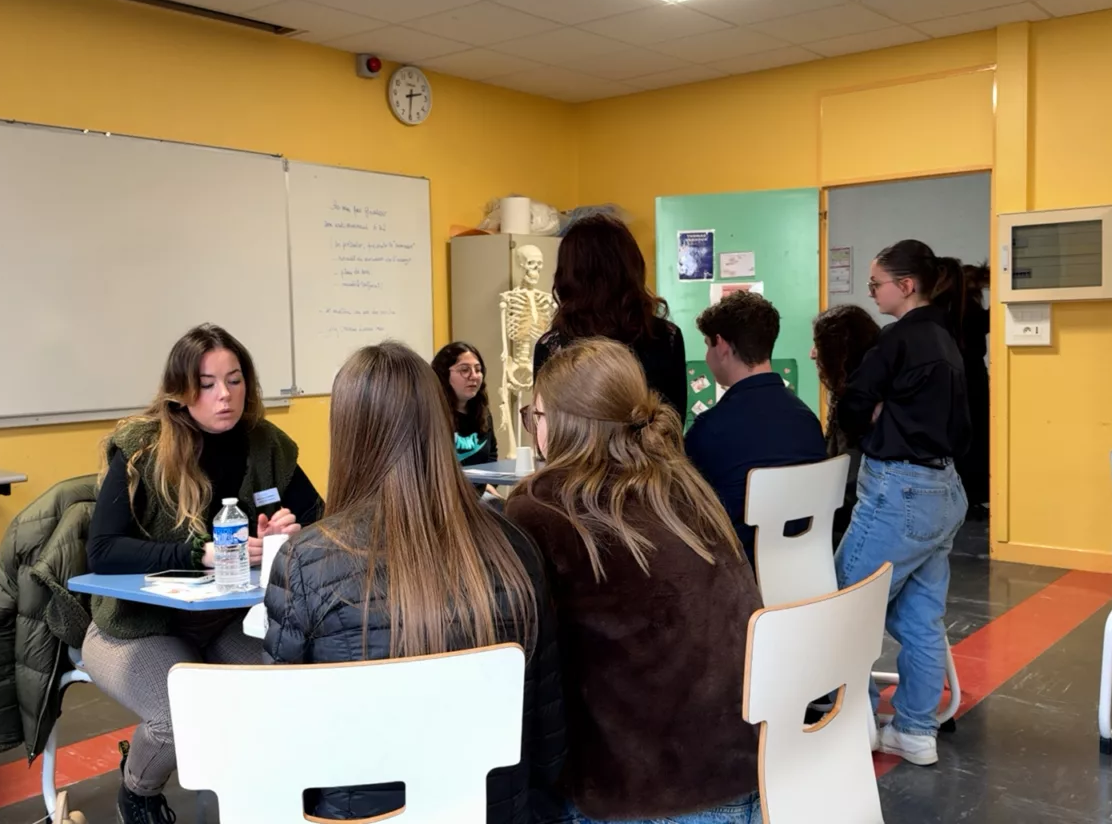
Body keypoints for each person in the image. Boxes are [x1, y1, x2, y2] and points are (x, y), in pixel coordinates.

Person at [265, 342, 564, 824]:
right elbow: (548, 735)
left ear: (345, 434)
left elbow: (283, 741)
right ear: (439, 421)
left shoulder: (306, 561)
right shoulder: (516, 545)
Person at [506, 338, 763, 824]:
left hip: (639, 795)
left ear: (561, 424)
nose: (532, 429)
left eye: (534, 416)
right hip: (743, 774)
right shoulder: (684, 486)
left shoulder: (542, 507)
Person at [82, 323, 325, 824]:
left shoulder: (268, 445)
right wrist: (202, 554)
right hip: (136, 624)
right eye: (208, 384)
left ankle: (252, 799)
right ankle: (138, 791)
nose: (225, 396)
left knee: (290, 692)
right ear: (181, 390)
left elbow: (321, 518)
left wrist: (291, 529)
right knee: (177, 718)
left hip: (225, 620)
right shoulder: (141, 447)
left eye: (235, 381)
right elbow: (103, 551)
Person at [838, 240, 970, 768]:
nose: (871, 293)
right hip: (944, 489)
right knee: (920, 617)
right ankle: (915, 731)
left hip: (899, 491)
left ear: (906, 286)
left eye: (876, 284)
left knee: (847, 607)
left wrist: (874, 419)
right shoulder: (946, 337)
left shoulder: (899, 340)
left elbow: (852, 401)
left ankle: (857, 724)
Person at [685, 291, 825, 567]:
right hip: (805, 570)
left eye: (707, 345)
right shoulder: (808, 421)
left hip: (738, 578)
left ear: (722, 346)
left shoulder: (707, 431)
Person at [532, 214, 688, 420]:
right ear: (632, 269)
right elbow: (673, 423)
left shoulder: (553, 346)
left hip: (579, 453)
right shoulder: (665, 337)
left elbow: (546, 427)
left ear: (567, 275)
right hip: (648, 452)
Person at [811, 304, 883, 546]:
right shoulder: (868, 393)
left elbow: (848, 484)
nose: (812, 354)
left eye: (819, 346)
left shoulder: (856, 407)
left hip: (860, 523)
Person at [432, 341, 499, 495]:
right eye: (464, 370)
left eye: (478, 369)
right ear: (443, 374)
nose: (474, 376)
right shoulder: (431, 415)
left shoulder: (483, 413)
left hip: (477, 495)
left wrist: (486, 486)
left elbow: (491, 456)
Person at [956, 264, 991, 517]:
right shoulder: (970, 311)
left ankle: (968, 496)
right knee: (977, 436)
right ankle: (973, 496)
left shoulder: (952, 311)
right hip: (972, 377)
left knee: (969, 437)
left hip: (962, 377)